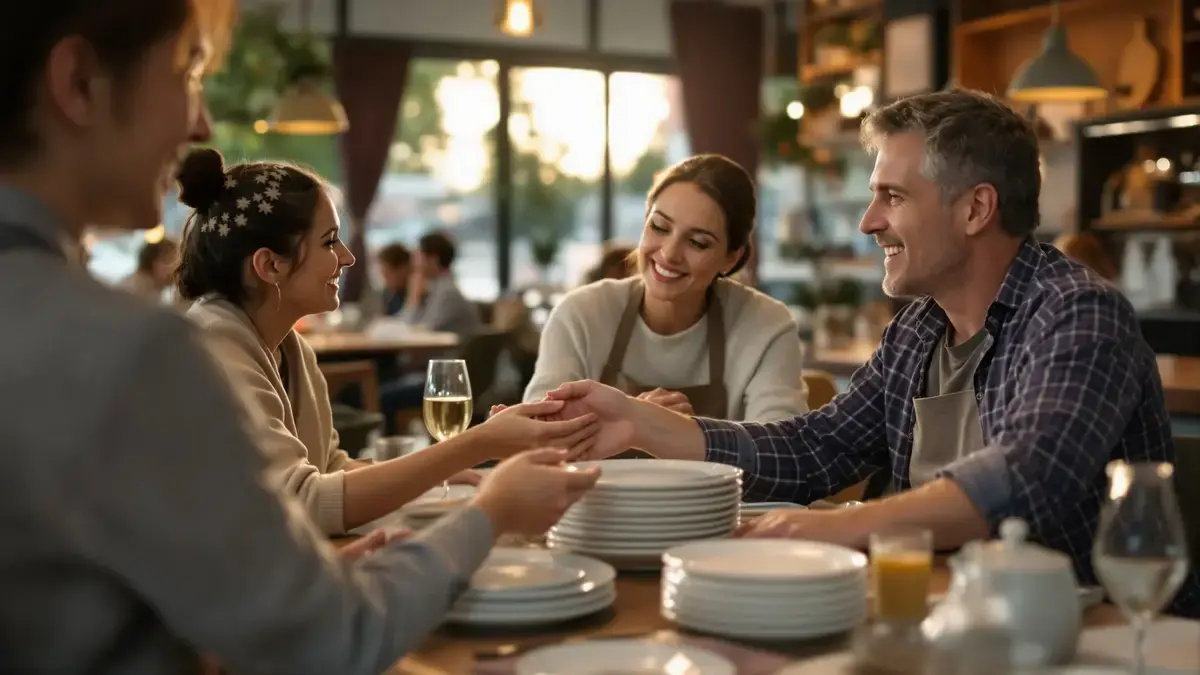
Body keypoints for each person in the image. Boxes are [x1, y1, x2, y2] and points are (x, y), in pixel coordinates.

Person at [0, 3, 601, 673]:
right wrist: (490, 509)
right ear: (80, 81)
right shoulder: (134, 351)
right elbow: (331, 639)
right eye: (187, 73)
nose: (200, 124)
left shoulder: (240, 346)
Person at [541, 89, 1200, 617]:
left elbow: (1029, 478)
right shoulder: (918, 330)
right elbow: (816, 449)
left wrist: (839, 528)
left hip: (1098, 637)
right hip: (942, 620)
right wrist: (641, 422)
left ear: (975, 209)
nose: (868, 222)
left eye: (893, 196)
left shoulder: (1077, 313)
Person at [177, 148, 601, 535]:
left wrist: (429, 476)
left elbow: (331, 470)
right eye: (329, 241)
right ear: (270, 265)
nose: (348, 257)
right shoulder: (213, 351)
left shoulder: (292, 349)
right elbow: (303, 502)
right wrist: (478, 443)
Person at [524, 154, 807, 423]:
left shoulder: (766, 326)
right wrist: (632, 420)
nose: (670, 254)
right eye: (659, 227)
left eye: (698, 242)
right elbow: (536, 434)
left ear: (730, 258)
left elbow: (781, 446)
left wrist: (665, 431)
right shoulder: (580, 316)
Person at [398, 229, 481, 340]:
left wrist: (413, 298)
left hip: (451, 351)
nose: (413, 263)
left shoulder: (448, 293)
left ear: (433, 259)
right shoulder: (435, 288)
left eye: (417, 256)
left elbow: (415, 330)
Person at [120, 237, 180, 302]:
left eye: (176, 264)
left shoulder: (160, 294)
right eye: (167, 261)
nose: (173, 269)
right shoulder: (131, 289)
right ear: (151, 261)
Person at [376, 241, 412, 315]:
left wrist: (413, 298)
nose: (385, 280)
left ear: (403, 269)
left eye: (387, 274)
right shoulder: (388, 293)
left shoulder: (421, 292)